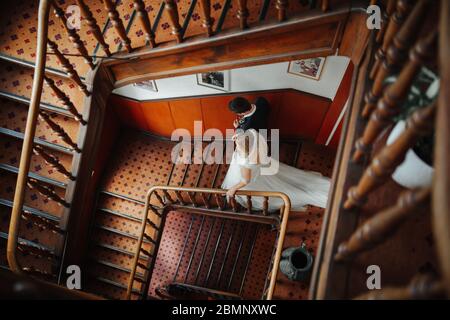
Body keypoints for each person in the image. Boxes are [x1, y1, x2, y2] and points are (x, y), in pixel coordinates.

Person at [221, 129, 331, 212]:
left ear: (245, 149)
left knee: (286, 193)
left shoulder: (246, 162)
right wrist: (238, 137)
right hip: (262, 171)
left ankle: (322, 198)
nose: (236, 145)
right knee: (289, 180)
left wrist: (233, 189)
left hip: (256, 181)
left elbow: (245, 181)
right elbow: (243, 139)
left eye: (238, 145)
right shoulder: (253, 145)